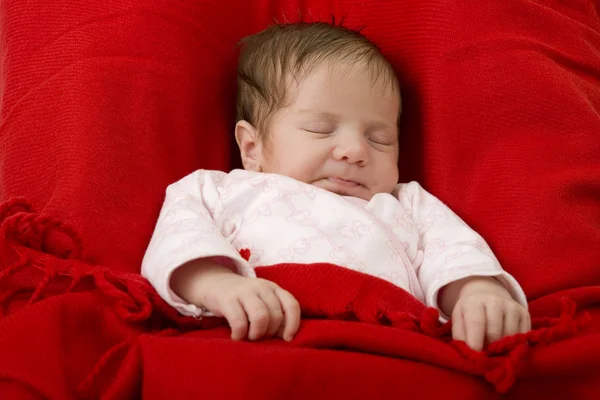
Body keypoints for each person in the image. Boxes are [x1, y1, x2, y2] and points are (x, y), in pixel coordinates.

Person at [141, 22, 530, 351]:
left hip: (384, 346)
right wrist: (218, 284)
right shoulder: (217, 190)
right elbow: (178, 243)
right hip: (257, 336)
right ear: (252, 147)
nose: (355, 151)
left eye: (379, 138)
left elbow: (455, 253)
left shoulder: (406, 204)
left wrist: (477, 293)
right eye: (320, 130)